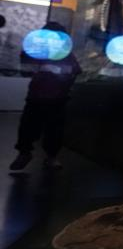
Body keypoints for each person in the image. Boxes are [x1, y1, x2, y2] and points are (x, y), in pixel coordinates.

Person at [9, 21, 80, 173]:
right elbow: (26, 70)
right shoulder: (37, 51)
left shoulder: (64, 54)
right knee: (33, 127)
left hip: (53, 98)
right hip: (42, 97)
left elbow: (74, 71)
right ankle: (31, 154)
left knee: (48, 128)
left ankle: (40, 155)